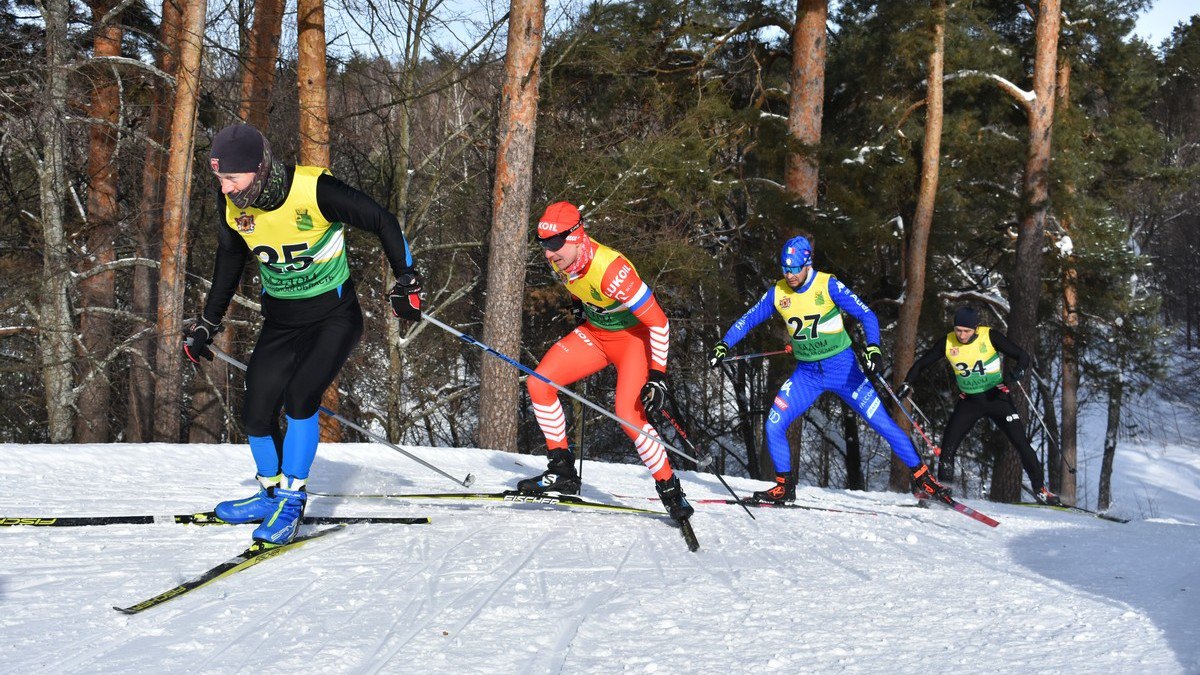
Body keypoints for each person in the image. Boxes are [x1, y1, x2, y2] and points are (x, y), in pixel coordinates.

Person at [184, 124, 422, 544]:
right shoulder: (234, 207)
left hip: (333, 317)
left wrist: (406, 279)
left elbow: (382, 220)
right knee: (256, 408)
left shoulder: (313, 190)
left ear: (259, 170)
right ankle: (270, 492)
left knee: (299, 399)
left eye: (231, 179)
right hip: (281, 322)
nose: (223, 189)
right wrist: (208, 321)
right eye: (218, 179)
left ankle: (292, 500)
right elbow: (228, 264)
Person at [709, 234, 947, 503]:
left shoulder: (827, 285)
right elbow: (748, 319)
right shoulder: (778, 292)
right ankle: (784, 486)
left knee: (883, 424)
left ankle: (924, 480)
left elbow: (866, 314)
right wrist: (723, 344)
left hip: (844, 371)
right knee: (774, 424)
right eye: (785, 269)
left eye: (795, 269)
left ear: (807, 264)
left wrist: (874, 348)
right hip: (807, 375)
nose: (789, 275)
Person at [516, 201, 692, 522]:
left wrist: (659, 376)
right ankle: (562, 471)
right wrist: (580, 306)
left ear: (576, 236)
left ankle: (670, 490)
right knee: (539, 383)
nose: (548, 254)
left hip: (632, 343)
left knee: (629, 414)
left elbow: (659, 322)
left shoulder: (612, 271)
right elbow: (578, 286)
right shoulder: (562, 259)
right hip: (596, 336)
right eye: (543, 245)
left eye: (554, 245)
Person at [898, 306, 1062, 506]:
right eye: (958, 330)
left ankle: (1041, 490)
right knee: (948, 448)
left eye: (966, 331)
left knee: (1021, 442)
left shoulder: (990, 336)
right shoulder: (948, 342)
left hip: (997, 398)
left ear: (975, 328)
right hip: (970, 402)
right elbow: (922, 363)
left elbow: (1023, 356)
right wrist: (908, 383)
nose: (962, 335)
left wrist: (1018, 372)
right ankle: (943, 491)